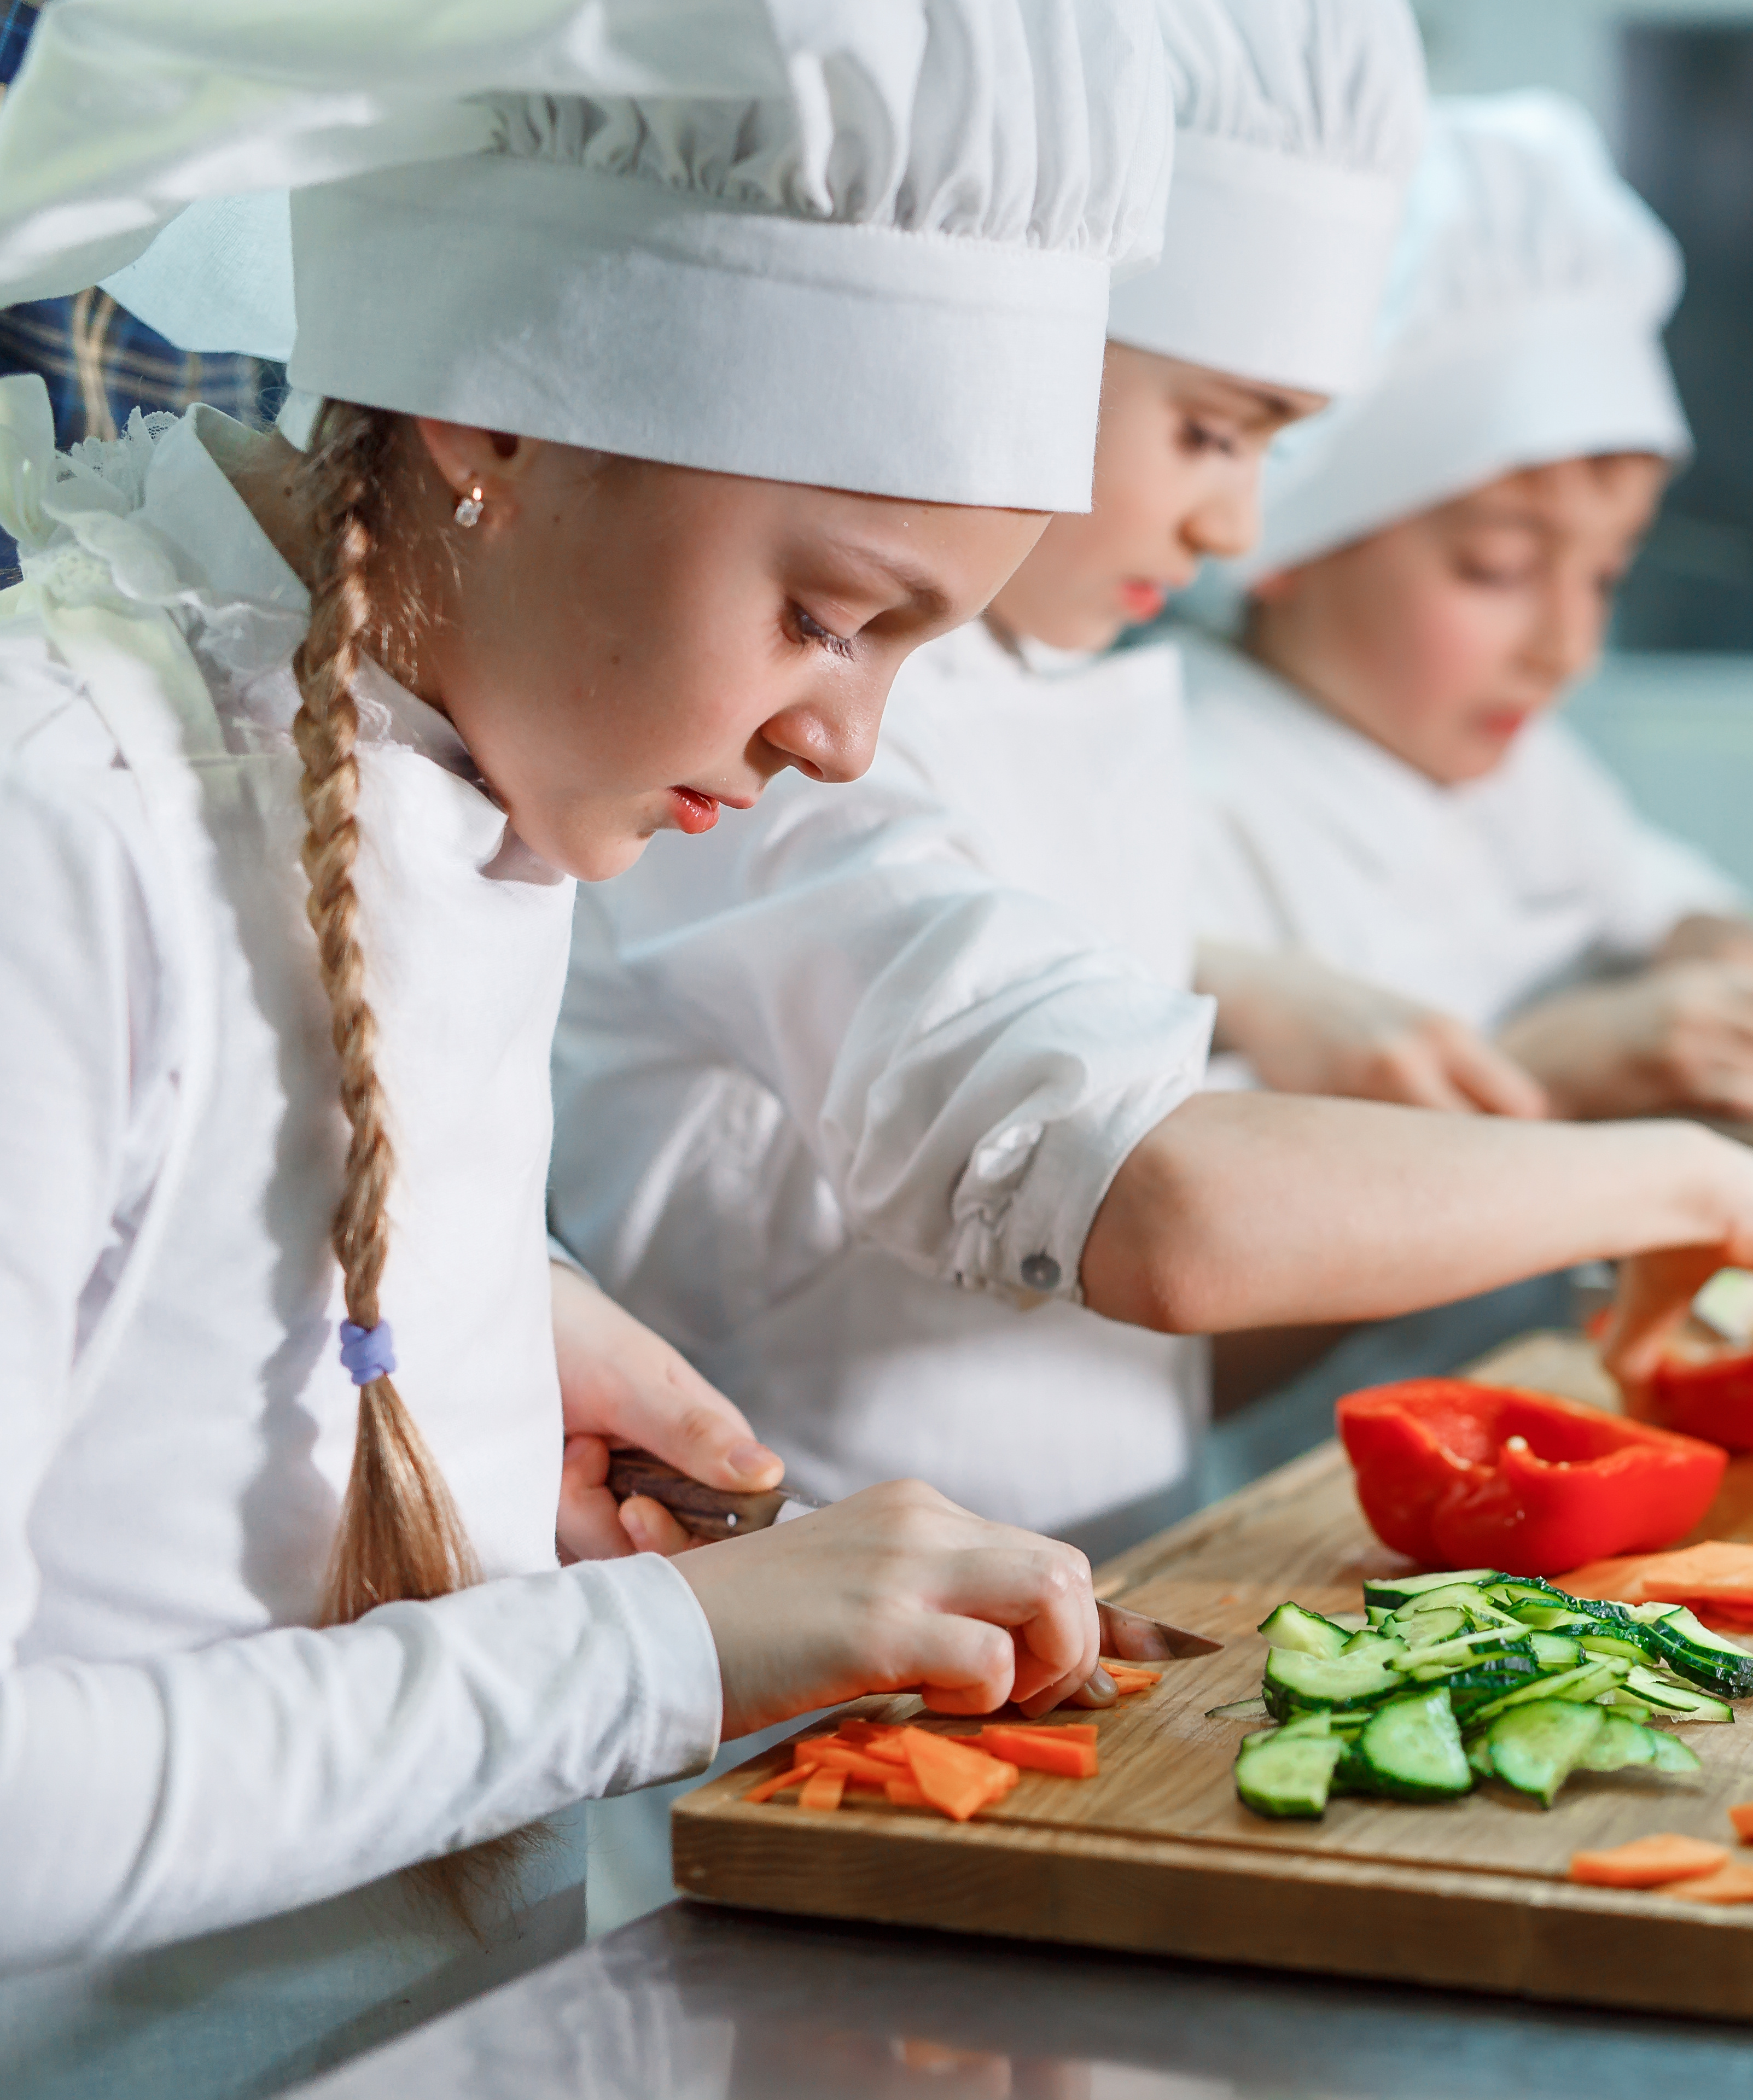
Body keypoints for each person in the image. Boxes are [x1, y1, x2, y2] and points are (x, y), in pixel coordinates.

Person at [0, 4, 1170, 2092]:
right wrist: (668, 1656)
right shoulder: (55, 828)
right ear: (498, 427)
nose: (845, 746)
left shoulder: (461, 748)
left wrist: (468, 1329)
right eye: (827, 615)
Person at [553, 0, 1453, 1538]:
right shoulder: (736, 721)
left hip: (1064, 1611)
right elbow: (1148, 1202)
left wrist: (1252, 986)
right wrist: (1695, 1178)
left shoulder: (1061, 684)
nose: (1237, 529)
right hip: (786, 1695)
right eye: (1214, 432)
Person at [1188, 91, 1753, 1132]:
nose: (1567, 650)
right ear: (1284, 540)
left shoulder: (1516, 773)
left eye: (1605, 577)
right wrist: (1536, 1074)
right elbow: (1154, 1210)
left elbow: (1658, 889)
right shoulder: (1184, 793)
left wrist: (1721, 947)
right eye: (1497, 569)